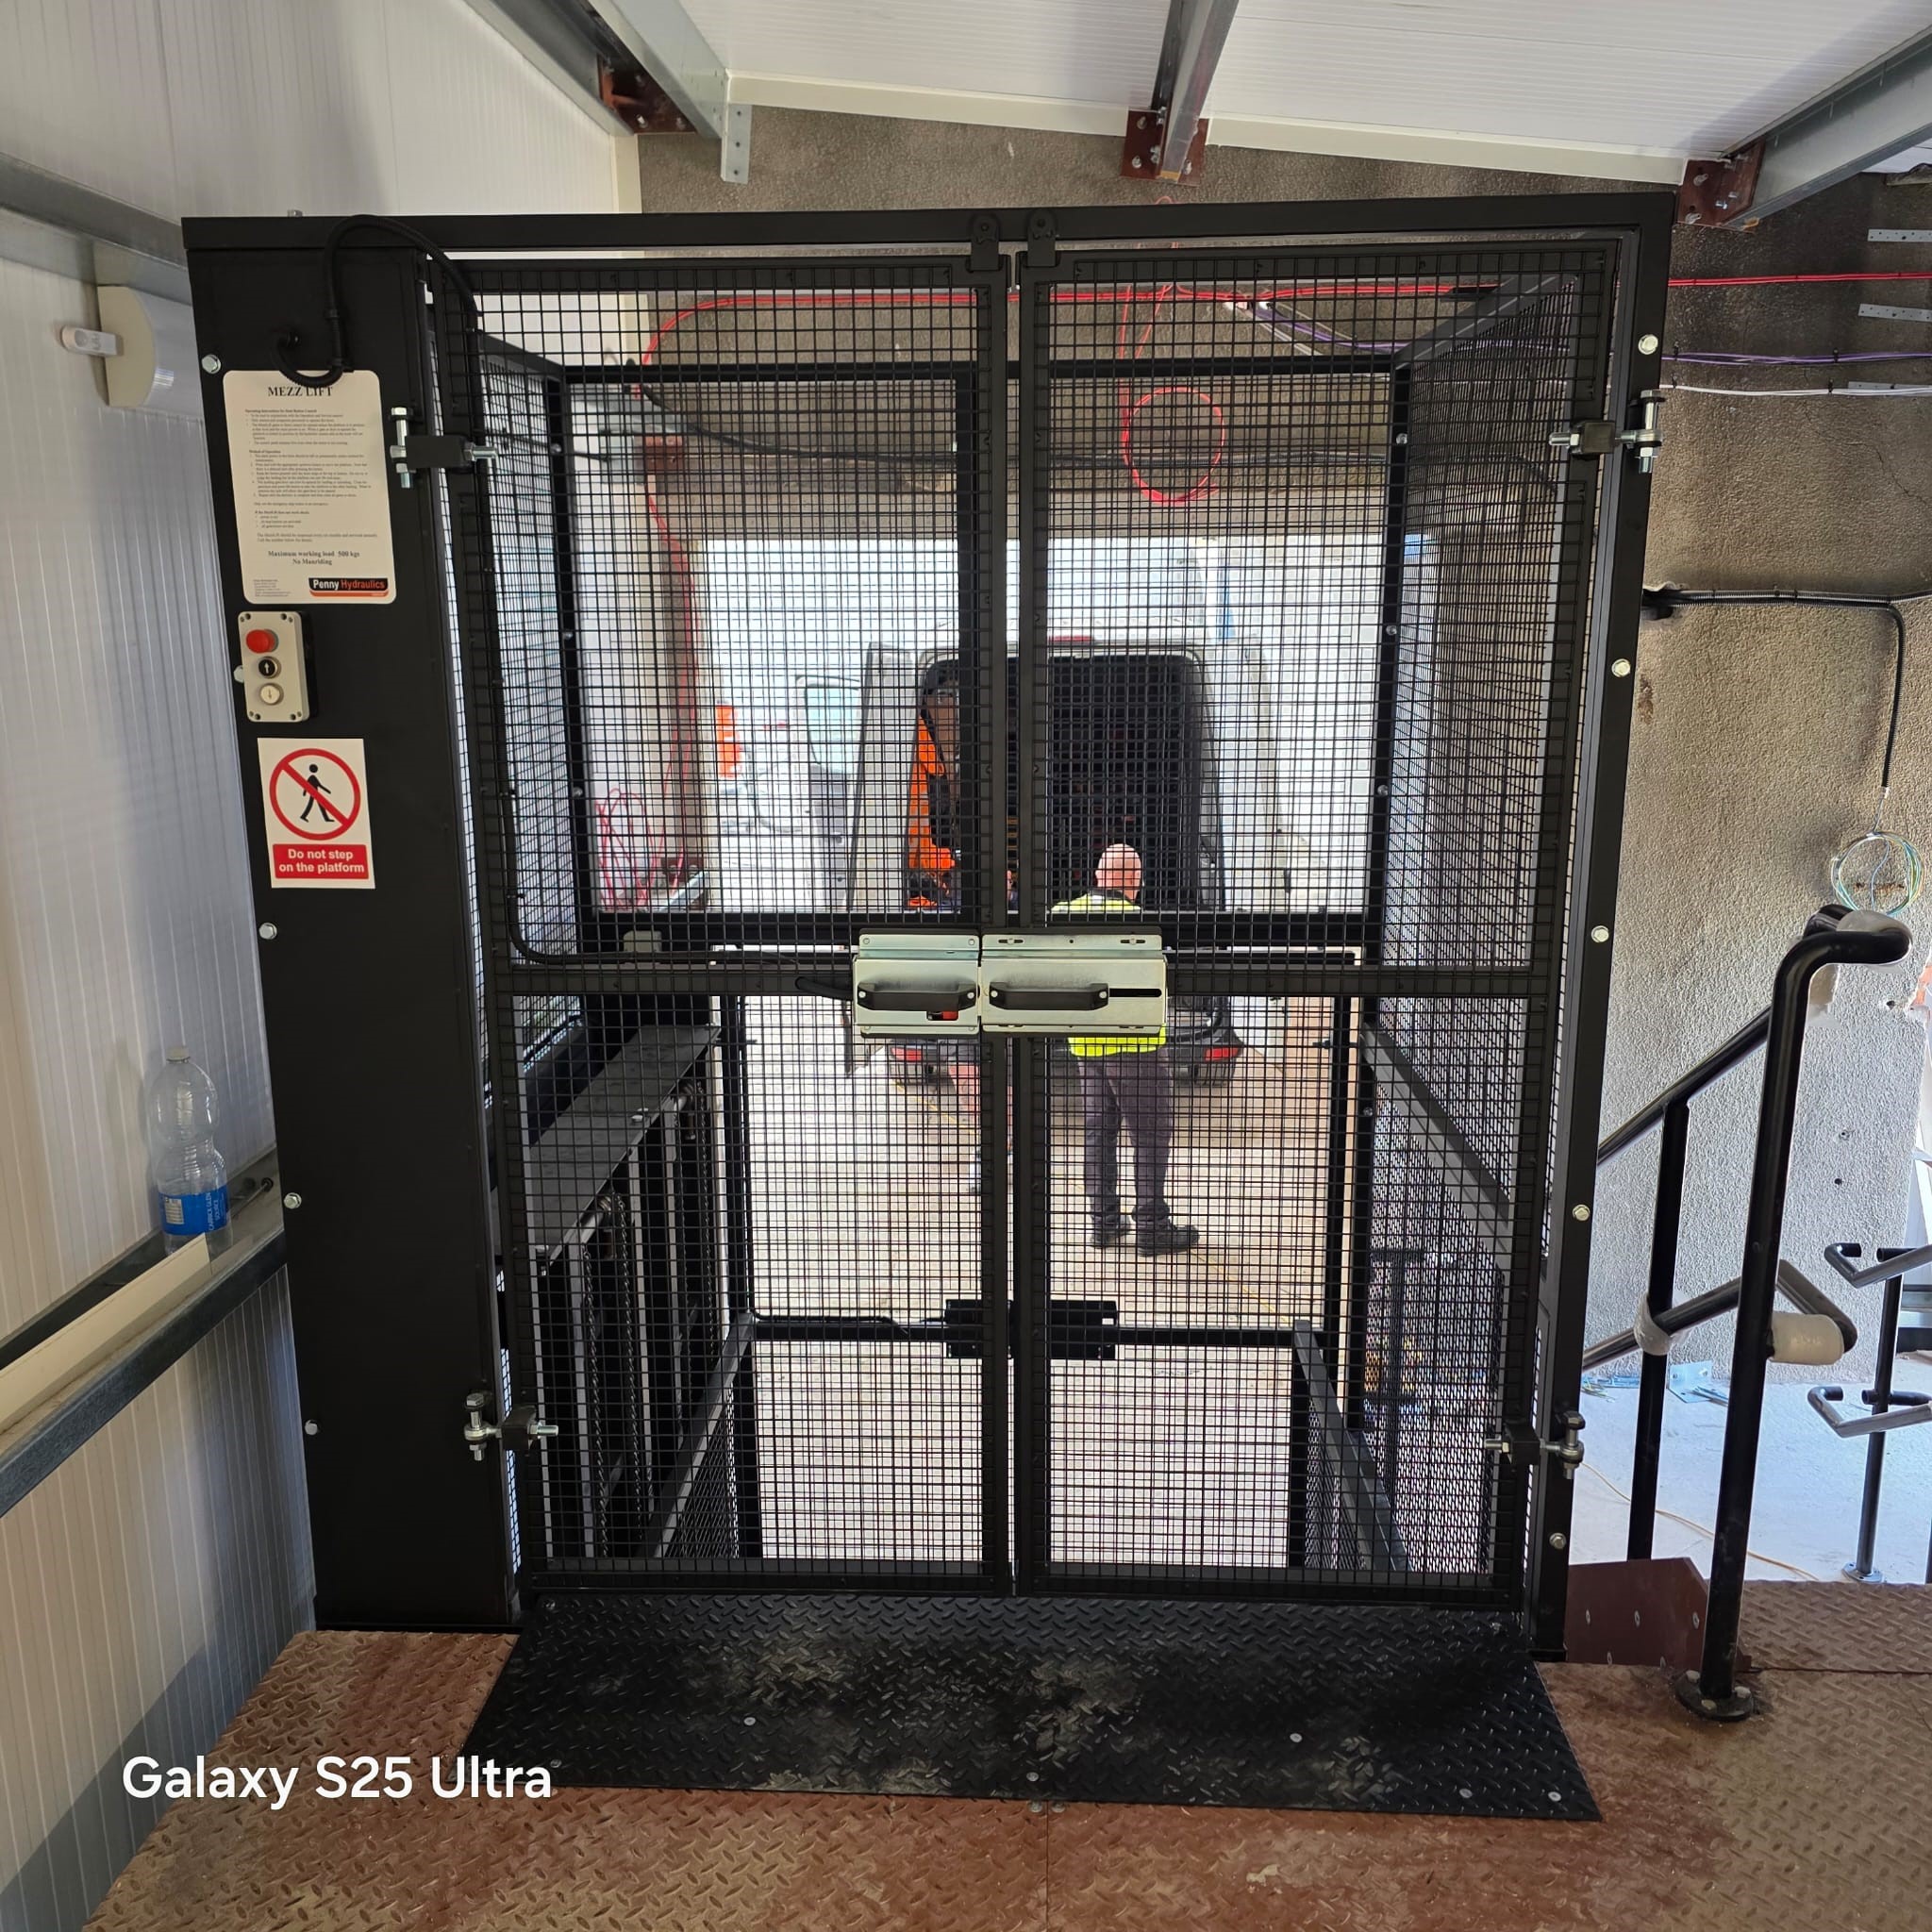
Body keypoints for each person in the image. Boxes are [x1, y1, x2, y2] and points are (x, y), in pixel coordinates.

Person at [1053, 844, 1199, 1256]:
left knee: (1099, 1132)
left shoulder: (1063, 914)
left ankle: (1104, 1223)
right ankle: (1152, 1227)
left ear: (1098, 876)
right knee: (1150, 1135)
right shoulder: (1140, 925)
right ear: (1136, 884)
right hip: (1136, 1045)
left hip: (1086, 1041)